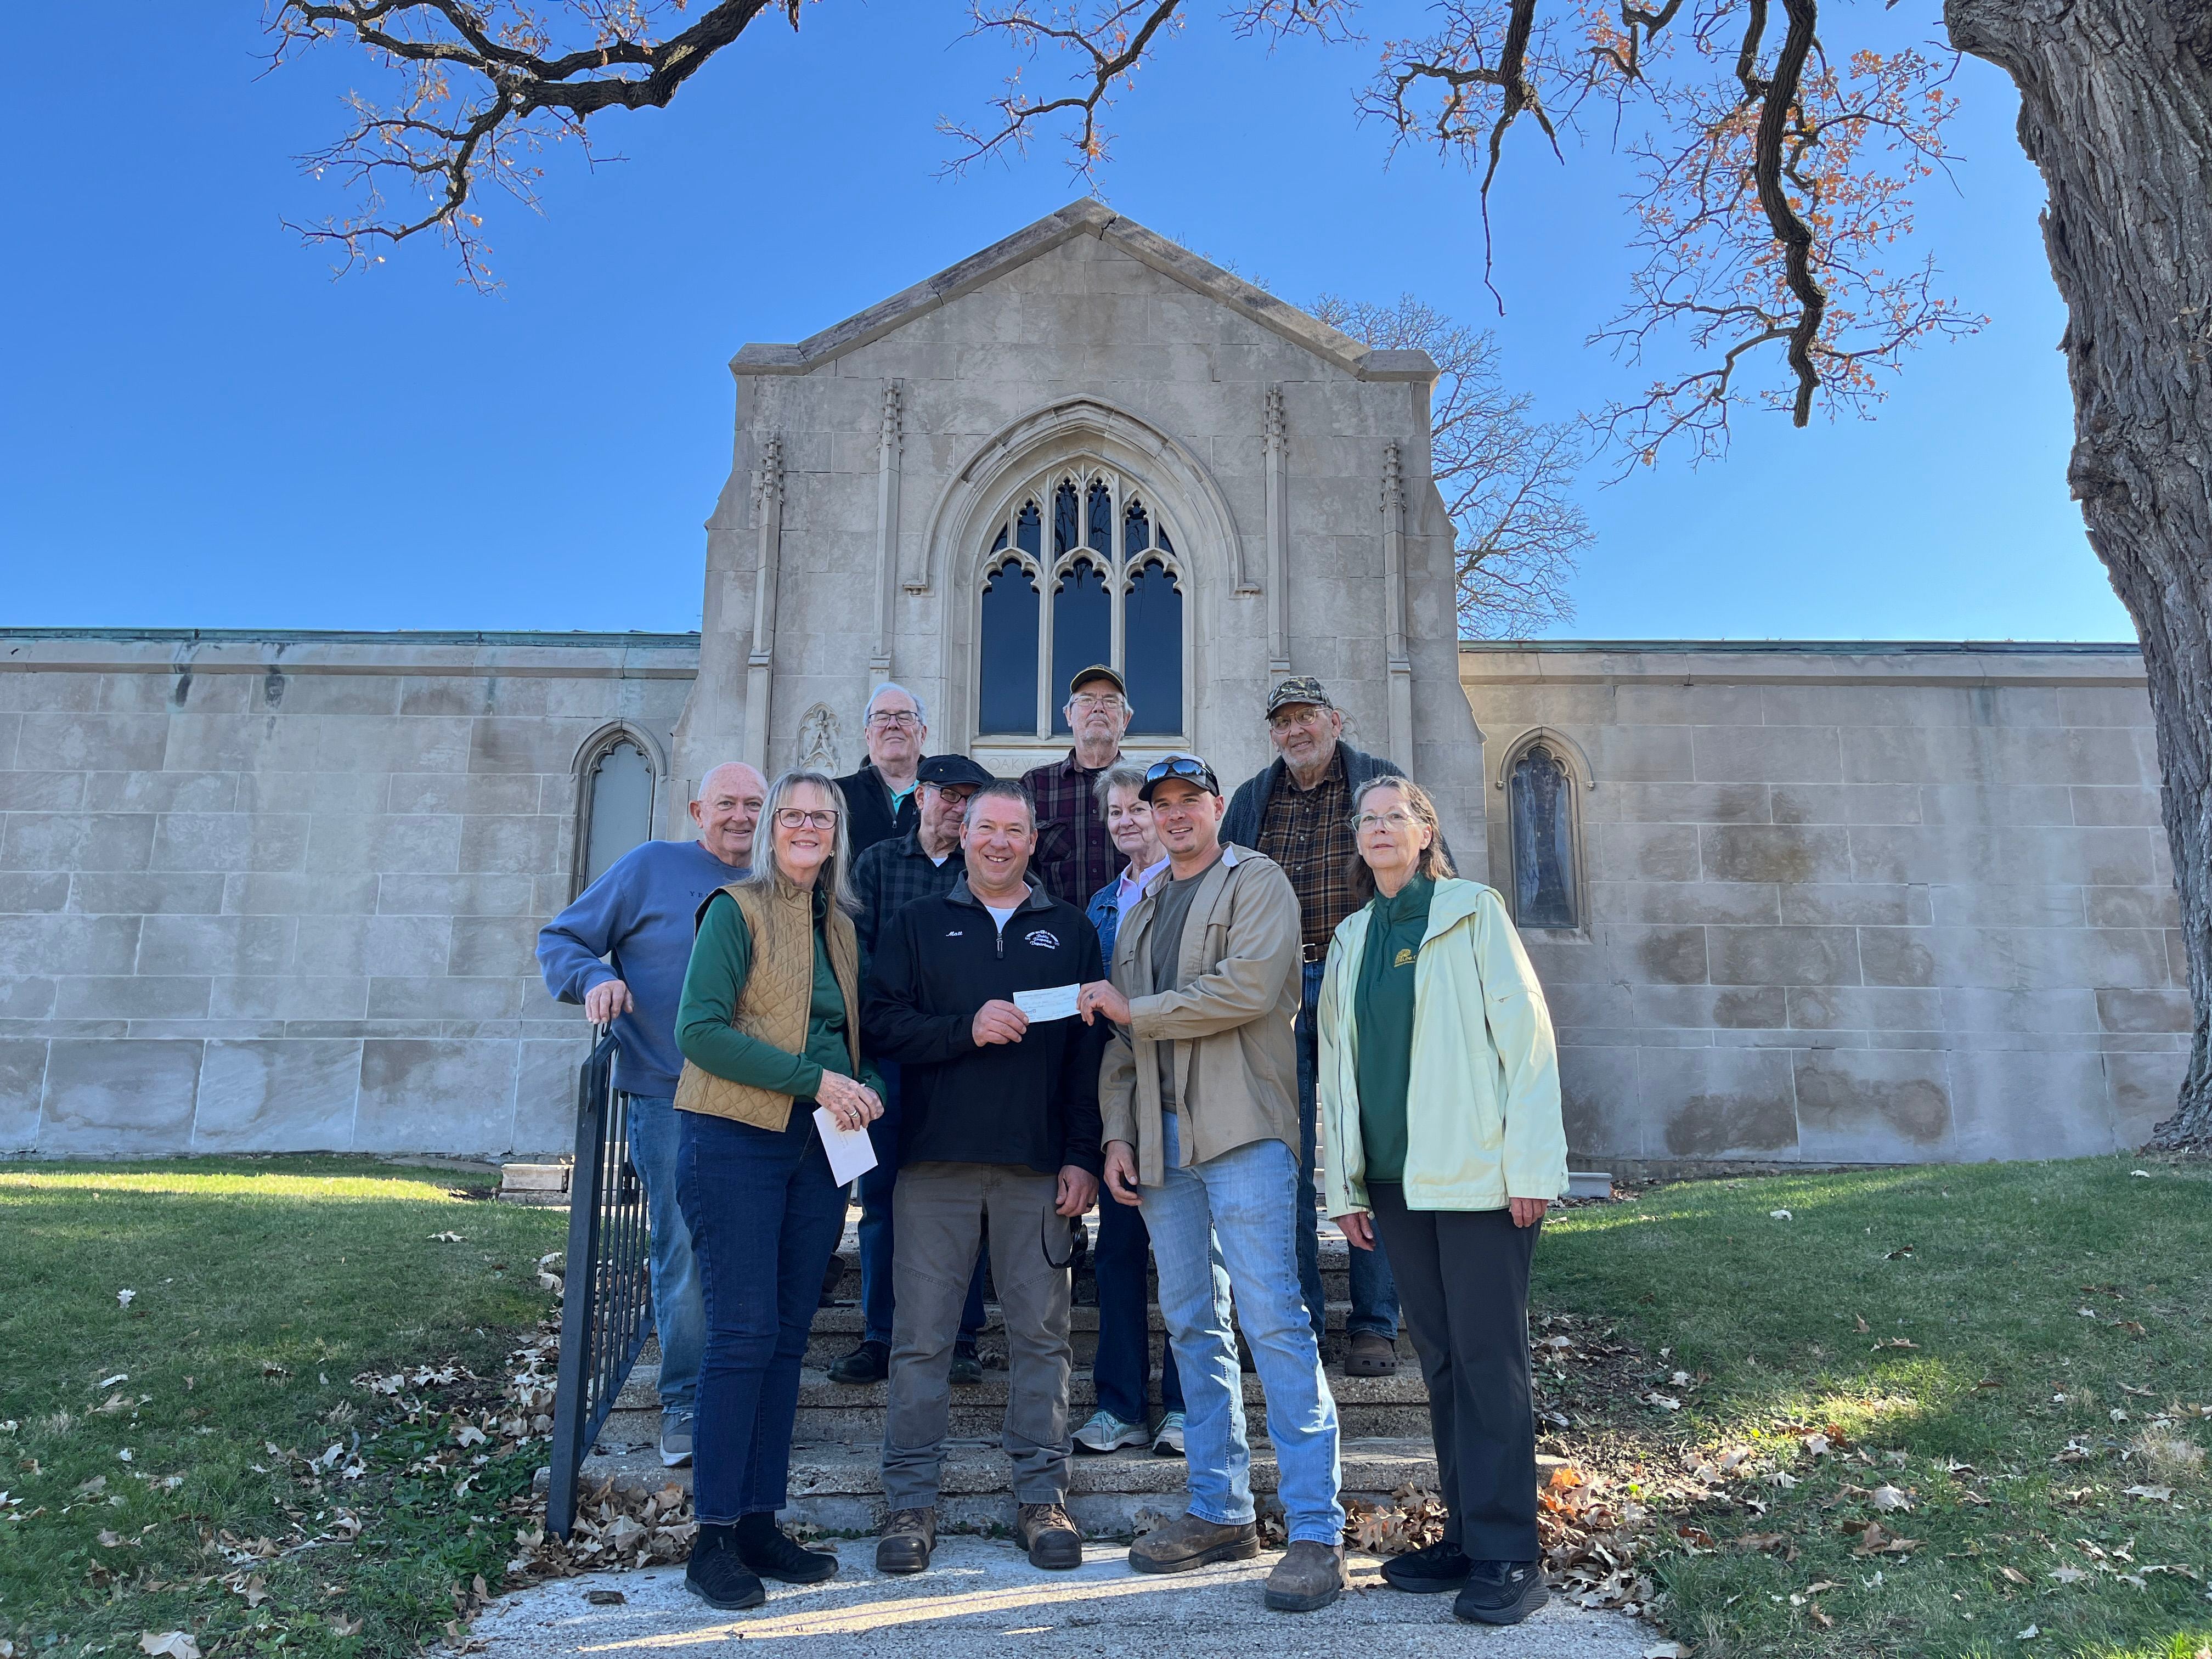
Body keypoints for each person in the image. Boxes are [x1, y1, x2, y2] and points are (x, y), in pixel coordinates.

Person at [1080, 755, 1349, 1615]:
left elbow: (1248, 988)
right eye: (1159, 805)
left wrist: (1138, 1012)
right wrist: (1117, 1133)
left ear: (1217, 807)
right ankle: (1220, 1509)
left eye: (1188, 801)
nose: (1174, 816)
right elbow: (1120, 1045)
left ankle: (1317, 1532)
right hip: (1160, 1144)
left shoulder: (1257, 881)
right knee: (1194, 1322)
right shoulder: (1142, 908)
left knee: (1274, 1320)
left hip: (1243, 1133)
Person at [1319, 776, 1566, 1628]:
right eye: (1368, 820)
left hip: (1479, 1175)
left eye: (1397, 816)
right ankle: (1469, 1537)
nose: (1380, 829)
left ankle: (1511, 1555)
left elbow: (1528, 1040)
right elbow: (1340, 1073)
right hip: (1395, 1184)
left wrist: (1532, 1166)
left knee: (1490, 1360)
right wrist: (1346, 1184)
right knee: (1445, 1362)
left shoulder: (1471, 912)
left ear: (1426, 833)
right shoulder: (1353, 937)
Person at [864, 780, 1106, 1574]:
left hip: (1037, 1169)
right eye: (986, 829)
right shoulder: (916, 924)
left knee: (1042, 1337)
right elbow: (882, 1024)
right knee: (922, 1339)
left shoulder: (1070, 930)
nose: (1000, 842)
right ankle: (910, 1502)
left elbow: (1087, 1058)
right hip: (933, 1163)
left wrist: (1082, 1155)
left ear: (1033, 842)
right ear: (961, 836)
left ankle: (1042, 1497)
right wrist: (962, 1030)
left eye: (1014, 830)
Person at [670, 770, 887, 1611]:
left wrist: (862, 1086)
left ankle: (759, 1525)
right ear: (771, 829)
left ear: (836, 834)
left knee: (788, 1337)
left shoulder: (841, 926)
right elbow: (700, 1031)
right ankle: (713, 1539)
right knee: (743, 1333)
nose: (805, 827)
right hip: (734, 1139)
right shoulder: (736, 910)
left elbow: (846, 1039)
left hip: (816, 1149)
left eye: (819, 818)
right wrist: (816, 1081)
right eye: (790, 815)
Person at [535, 761, 768, 1469]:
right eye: (726, 803)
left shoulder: (781, 880)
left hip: (766, 1095)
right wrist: (596, 976)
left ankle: (747, 1396)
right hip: (671, 1093)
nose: (741, 816)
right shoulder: (649, 868)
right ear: (698, 811)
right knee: (684, 1247)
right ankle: (686, 1402)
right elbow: (562, 939)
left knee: (757, 1247)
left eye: (754, 804)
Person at [1220, 676, 1413, 1377]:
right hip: (1273, 994)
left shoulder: (1380, 783)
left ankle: (1375, 1324)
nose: (1296, 730)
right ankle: (1294, 1319)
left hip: (1358, 981)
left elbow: (1422, 878)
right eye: (1283, 721)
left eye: (1307, 716)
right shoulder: (1251, 799)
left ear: (1336, 719)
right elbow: (1222, 890)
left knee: (1373, 1152)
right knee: (1285, 1161)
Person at [829, 752, 997, 1387]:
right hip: (891, 1058)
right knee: (882, 1202)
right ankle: (881, 1335)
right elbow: (856, 954)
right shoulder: (876, 864)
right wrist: (909, 1008)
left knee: (965, 1203)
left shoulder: (985, 869)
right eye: (947, 795)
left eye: (969, 798)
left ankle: (961, 1338)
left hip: (963, 1062)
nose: (957, 807)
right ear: (919, 798)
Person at [1073, 763, 1184, 1458]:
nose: (1125, 822)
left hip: (1184, 1096)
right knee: (1117, 1253)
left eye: (1136, 810)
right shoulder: (1099, 907)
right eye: (1114, 813)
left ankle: (1184, 1406)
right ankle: (1119, 1407)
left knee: (1187, 1261)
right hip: (1122, 1095)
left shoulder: (1193, 891)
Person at [1020, 664, 1132, 907]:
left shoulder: (1145, 786)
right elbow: (1018, 868)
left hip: (1132, 926)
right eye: (1086, 700)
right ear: (1069, 716)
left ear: (1126, 720)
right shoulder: (1035, 786)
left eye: (1111, 701)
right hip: (1055, 926)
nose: (1098, 708)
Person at [834, 682, 930, 854]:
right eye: (881, 717)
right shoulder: (836, 795)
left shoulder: (946, 798)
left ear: (922, 734)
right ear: (868, 735)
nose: (893, 724)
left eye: (905, 717)